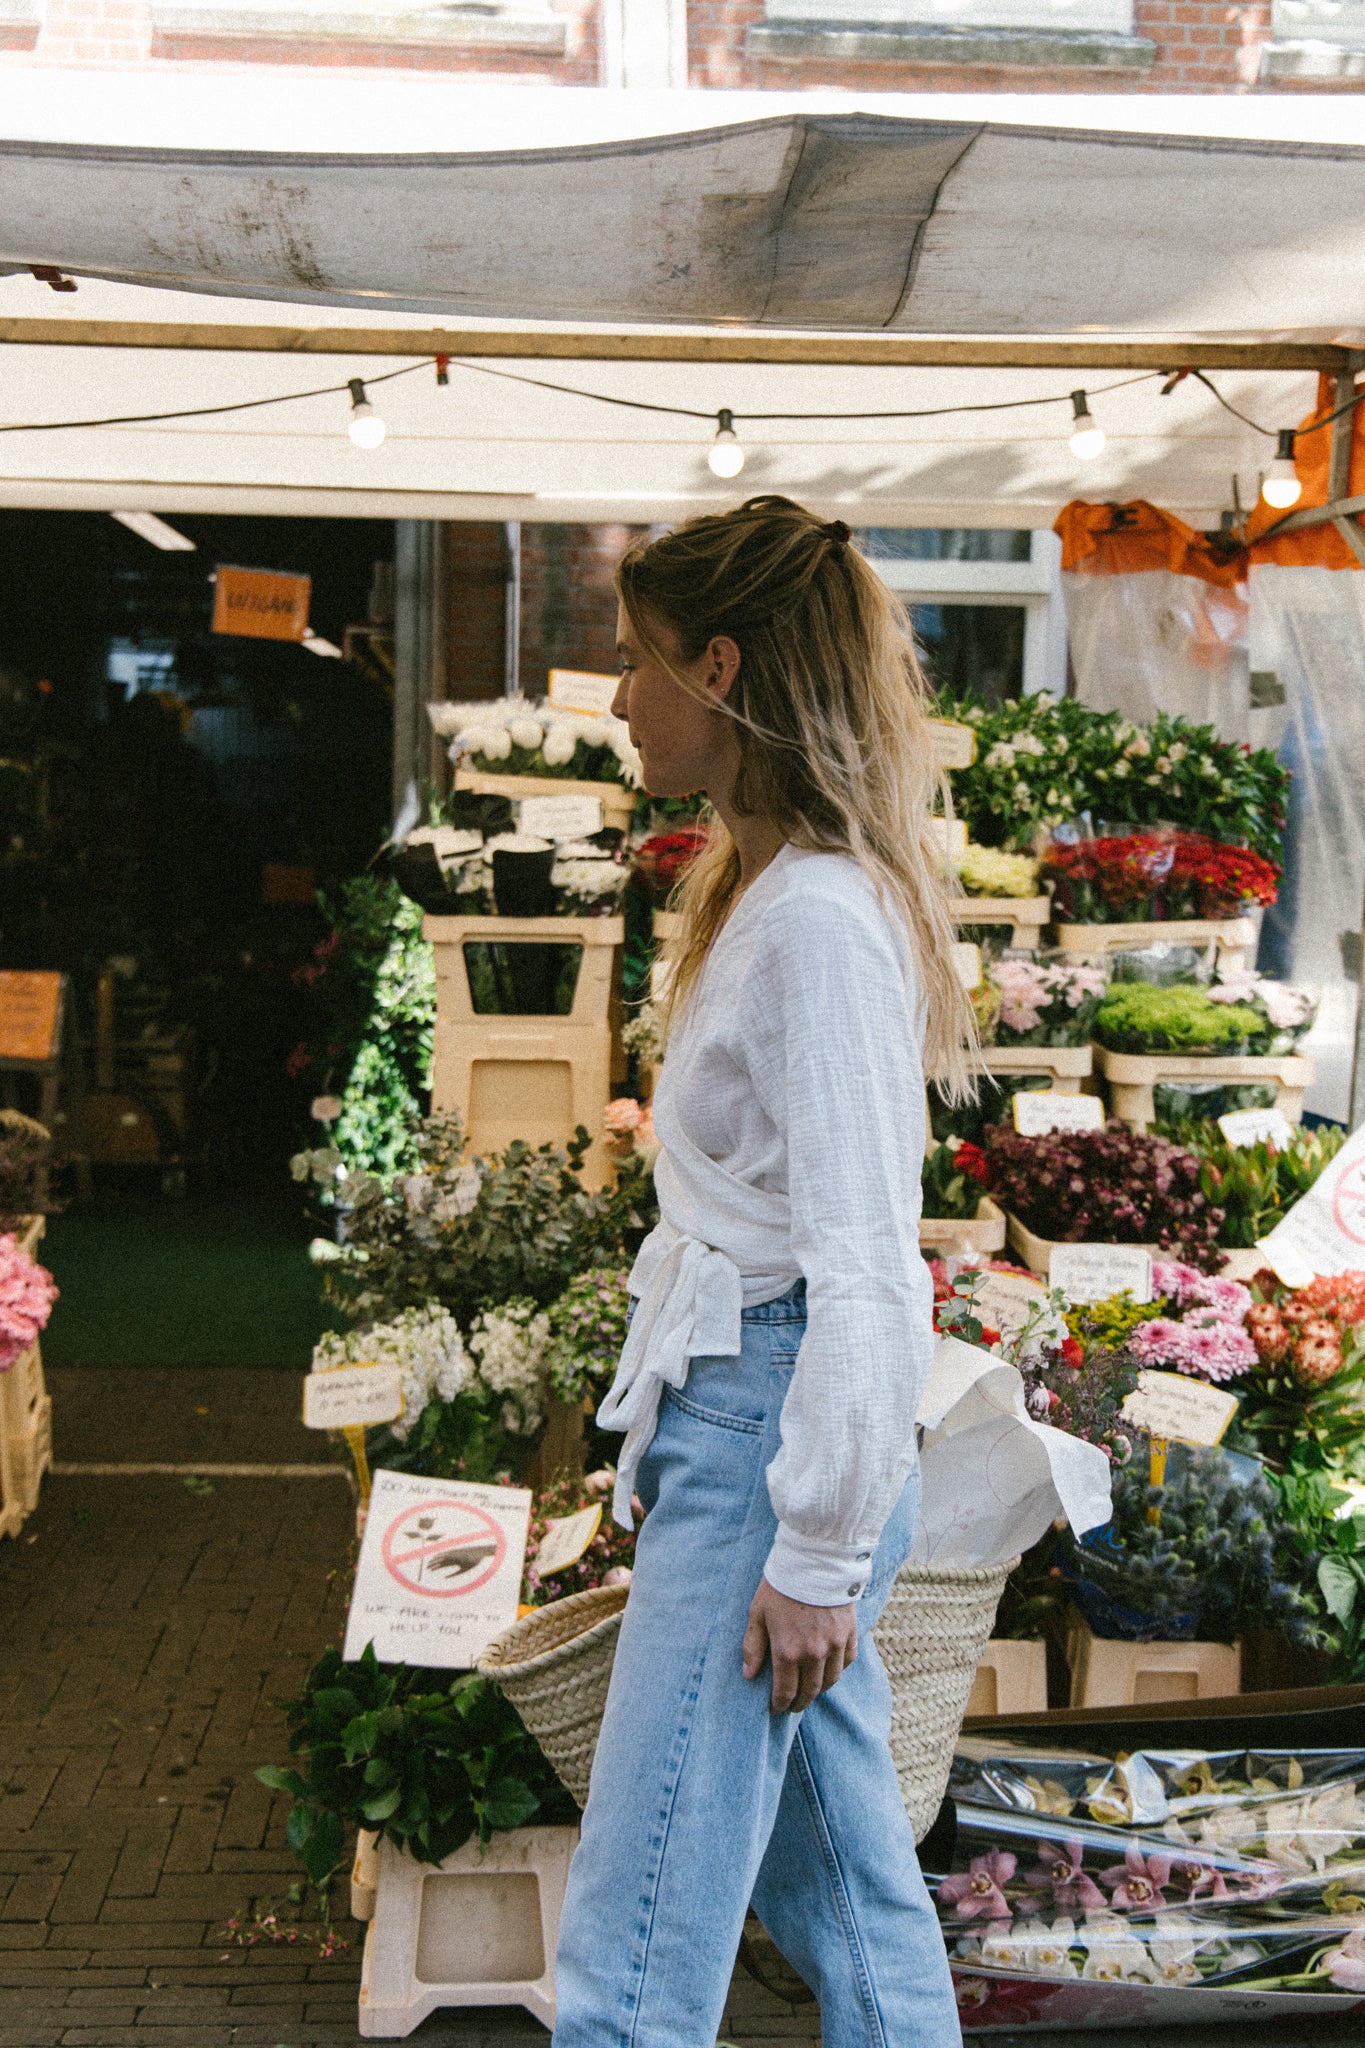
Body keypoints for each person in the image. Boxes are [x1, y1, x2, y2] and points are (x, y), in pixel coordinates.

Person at [550, 496, 975, 2048]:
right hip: (757, 1429)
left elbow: (871, 1262)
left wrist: (811, 1546)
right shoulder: (781, 892)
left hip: (775, 1445)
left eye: (637, 657)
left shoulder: (810, 922)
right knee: (846, 1893)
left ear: (720, 666)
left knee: (637, 1943)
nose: (616, 695)